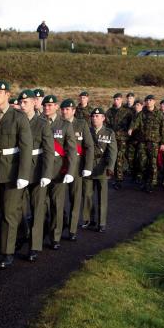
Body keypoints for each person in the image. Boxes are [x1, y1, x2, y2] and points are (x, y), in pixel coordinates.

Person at [0, 81, 32, 269]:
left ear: (7, 95)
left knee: (9, 212)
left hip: (12, 170)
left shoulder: (18, 116)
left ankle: (7, 251)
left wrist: (23, 174)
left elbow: (26, 146)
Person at [17, 90, 54, 262]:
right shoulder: (15, 120)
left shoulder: (42, 123)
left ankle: (34, 245)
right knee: (18, 209)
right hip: (18, 171)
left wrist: (46, 174)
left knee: (37, 209)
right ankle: (20, 236)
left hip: (37, 171)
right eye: (21, 103)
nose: (22, 106)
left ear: (34, 103)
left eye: (26, 102)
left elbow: (48, 150)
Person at [41, 95, 76, 249]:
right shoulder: (39, 123)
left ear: (56, 107)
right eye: (45, 106)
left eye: (50, 105)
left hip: (58, 171)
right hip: (41, 170)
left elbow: (71, 151)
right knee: (42, 205)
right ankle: (41, 233)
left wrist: (70, 171)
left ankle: (55, 237)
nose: (47, 108)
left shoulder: (65, 125)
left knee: (56, 203)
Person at [60, 99, 94, 241]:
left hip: (76, 166)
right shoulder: (57, 124)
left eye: (68, 109)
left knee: (75, 198)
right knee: (58, 198)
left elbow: (89, 146)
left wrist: (87, 166)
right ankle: (61, 223)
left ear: (74, 110)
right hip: (60, 165)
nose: (65, 111)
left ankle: (72, 229)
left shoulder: (81, 124)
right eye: (63, 109)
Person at [82, 108, 116, 232]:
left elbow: (112, 152)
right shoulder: (87, 131)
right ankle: (89, 220)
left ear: (103, 118)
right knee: (87, 195)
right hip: (88, 167)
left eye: (98, 116)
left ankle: (101, 223)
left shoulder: (109, 132)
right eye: (93, 116)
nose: (95, 118)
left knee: (102, 196)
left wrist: (111, 167)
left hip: (102, 167)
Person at [105, 93, 133, 189]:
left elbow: (131, 125)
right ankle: (114, 176)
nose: (116, 101)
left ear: (121, 100)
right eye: (115, 99)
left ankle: (119, 179)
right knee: (113, 157)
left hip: (122, 139)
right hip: (112, 139)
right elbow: (106, 124)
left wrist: (128, 135)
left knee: (119, 158)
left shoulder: (127, 112)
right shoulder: (109, 111)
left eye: (118, 99)